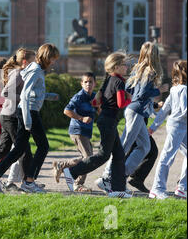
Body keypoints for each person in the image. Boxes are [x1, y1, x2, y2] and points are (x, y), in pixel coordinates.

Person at [0, 44, 60, 194]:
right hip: (29, 112)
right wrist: (27, 120)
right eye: (53, 59)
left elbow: (32, 93)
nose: (54, 62)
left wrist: (48, 96)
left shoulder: (35, 69)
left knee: (19, 148)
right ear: (46, 57)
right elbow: (25, 95)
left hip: (27, 111)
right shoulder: (36, 70)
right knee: (43, 146)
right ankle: (29, 182)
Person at [61, 52, 132, 198]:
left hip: (106, 120)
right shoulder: (119, 81)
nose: (127, 68)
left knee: (119, 155)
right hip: (108, 121)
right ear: (117, 66)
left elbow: (95, 102)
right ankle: (72, 172)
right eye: (125, 65)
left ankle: (118, 190)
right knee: (103, 155)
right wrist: (130, 99)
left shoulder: (108, 79)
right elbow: (120, 104)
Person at [99, 42, 168, 191]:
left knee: (144, 146)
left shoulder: (138, 69)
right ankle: (107, 177)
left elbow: (129, 88)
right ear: (155, 55)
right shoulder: (149, 71)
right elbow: (142, 94)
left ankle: (120, 176)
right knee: (124, 145)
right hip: (136, 111)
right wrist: (159, 90)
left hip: (135, 111)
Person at [0, 48, 36, 192]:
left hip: (9, 115)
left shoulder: (23, 73)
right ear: (25, 62)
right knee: (23, 148)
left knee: (2, 148)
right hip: (10, 116)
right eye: (33, 61)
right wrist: (25, 98)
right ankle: (28, 182)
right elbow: (6, 92)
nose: (35, 63)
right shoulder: (18, 73)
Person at [148, 60, 187, 200]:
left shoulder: (175, 89)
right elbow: (185, 111)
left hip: (178, 125)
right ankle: (157, 189)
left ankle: (183, 188)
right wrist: (152, 127)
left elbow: (164, 109)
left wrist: (153, 127)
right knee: (167, 157)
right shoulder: (183, 89)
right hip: (178, 127)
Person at [52, 72, 97, 193]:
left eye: (90, 82)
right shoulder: (79, 96)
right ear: (81, 83)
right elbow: (66, 110)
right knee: (88, 159)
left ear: (95, 83)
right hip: (78, 130)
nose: (88, 84)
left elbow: (97, 109)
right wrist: (81, 118)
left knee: (87, 158)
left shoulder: (94, 96)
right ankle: (78, 184)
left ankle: (61, 165)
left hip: (86, 132)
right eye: (85, 82)